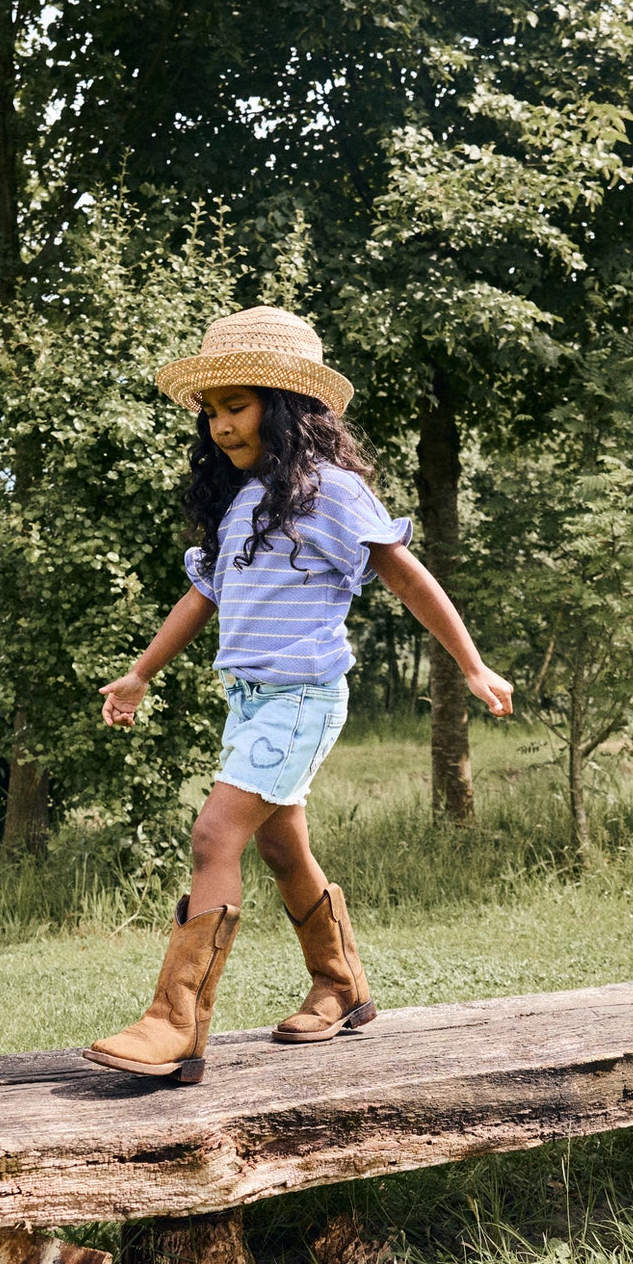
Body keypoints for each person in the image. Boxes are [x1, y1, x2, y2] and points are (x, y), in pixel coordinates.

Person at [82, 306, 513, 1084]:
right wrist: (140, 672)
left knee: (214, 835)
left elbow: (409, 579)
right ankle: (340, 985)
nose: (220, 425)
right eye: (211, 412)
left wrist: (472, 666)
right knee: (281, 847)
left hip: (301, 698)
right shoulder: (241, 502)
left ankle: (176, 1023)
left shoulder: (334, 492)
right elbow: (202, 596)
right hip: (250, 701)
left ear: (283, 408)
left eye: (236, 406)